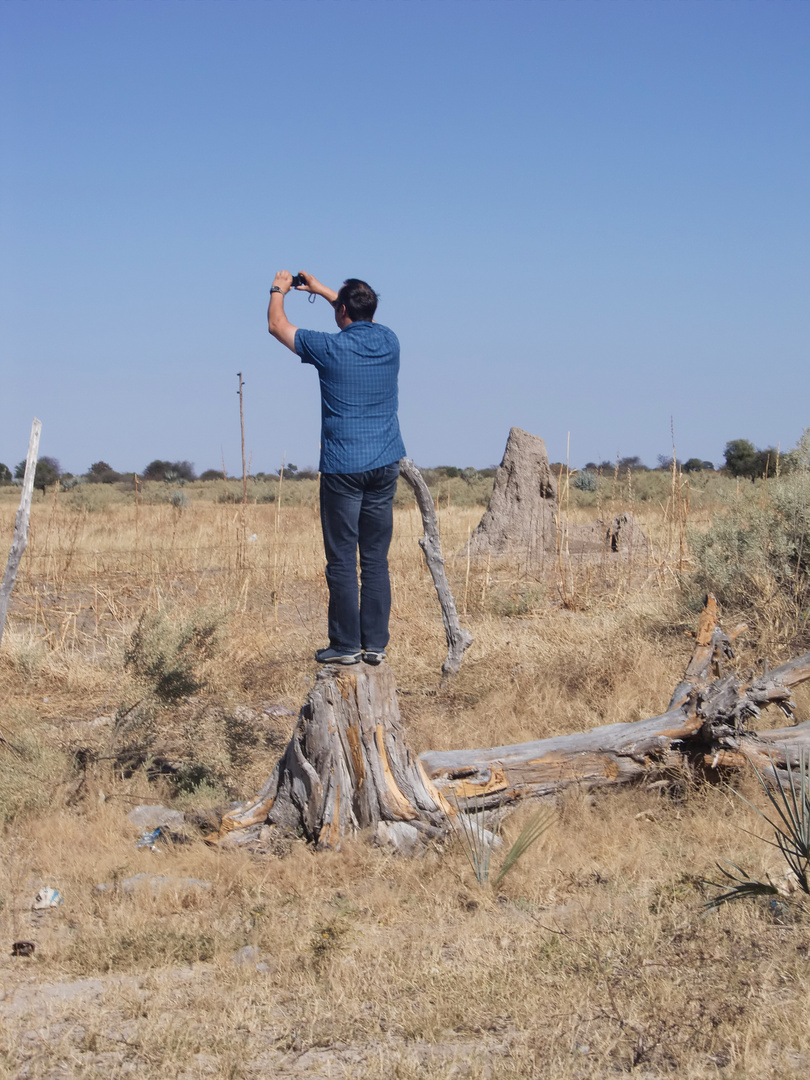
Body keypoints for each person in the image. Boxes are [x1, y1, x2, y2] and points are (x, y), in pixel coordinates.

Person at [267, 270, 406, 666]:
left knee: (343, 558)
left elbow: (277, 325)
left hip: (344, 467)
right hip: (384, 463)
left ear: (341, 311)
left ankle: (345, 645)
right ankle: (375, 644)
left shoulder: (328, 348)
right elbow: (362, 315)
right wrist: (327, 291)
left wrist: (280, 288)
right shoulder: (389, 341)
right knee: (375, 559)